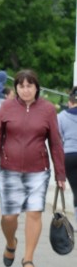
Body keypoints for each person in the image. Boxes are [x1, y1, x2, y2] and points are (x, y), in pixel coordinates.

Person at [0, 70, 65, 267]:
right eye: (21, 86)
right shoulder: (6, 108)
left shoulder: (48, 110)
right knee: (9, 217)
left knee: (34, 213)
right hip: (9, 169)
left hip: (39, 170)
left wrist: (60, 175)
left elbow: (55, 142)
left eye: (30, 86)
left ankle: (28, 258)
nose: (25, 90)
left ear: (37, 88)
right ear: (16, 88)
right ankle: (11, 243)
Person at [57, 86, 77, 223]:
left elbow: (59, 139)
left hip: (69, 155)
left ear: (70, 101)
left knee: (76, 188)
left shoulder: (61, 116)